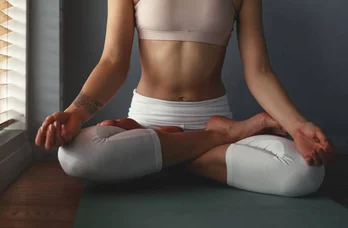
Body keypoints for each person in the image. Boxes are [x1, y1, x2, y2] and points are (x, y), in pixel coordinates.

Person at [34, 0, 336, 197]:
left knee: (305, 172)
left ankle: (165, 158)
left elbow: (259, 71)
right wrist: (76, 112)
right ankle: (214, 139)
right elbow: (113, 61)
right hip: (150, 120)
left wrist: (297, 126)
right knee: (73, 156)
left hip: (194, 120)